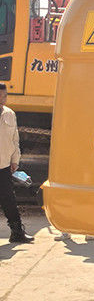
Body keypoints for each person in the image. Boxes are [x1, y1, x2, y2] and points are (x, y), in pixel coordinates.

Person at [0, 83, 32, 243]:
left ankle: (17, 232)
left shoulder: (9, 114)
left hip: (4, 165)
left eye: (5, 96)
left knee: (9, 199)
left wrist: (15, 161)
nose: (3, 99)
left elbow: (15, 139)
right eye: (1, 96)